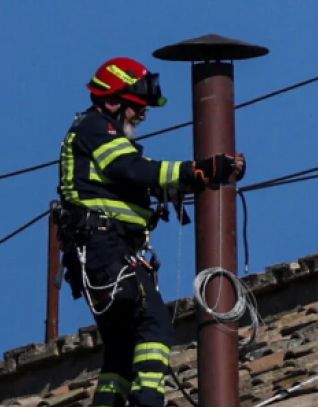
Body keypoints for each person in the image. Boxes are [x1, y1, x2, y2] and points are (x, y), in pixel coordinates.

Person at [55, 57, 246, 407]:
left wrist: (207, 174)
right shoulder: (96, 128)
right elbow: (131, 169)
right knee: (154, 322)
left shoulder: (94, 131)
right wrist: (196, 170)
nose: (142, 116)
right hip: (105, 247)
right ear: (114, 101)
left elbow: (136, 181)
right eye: (137, 107)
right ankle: (148, 402)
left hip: (99, 252)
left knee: (121, 346)